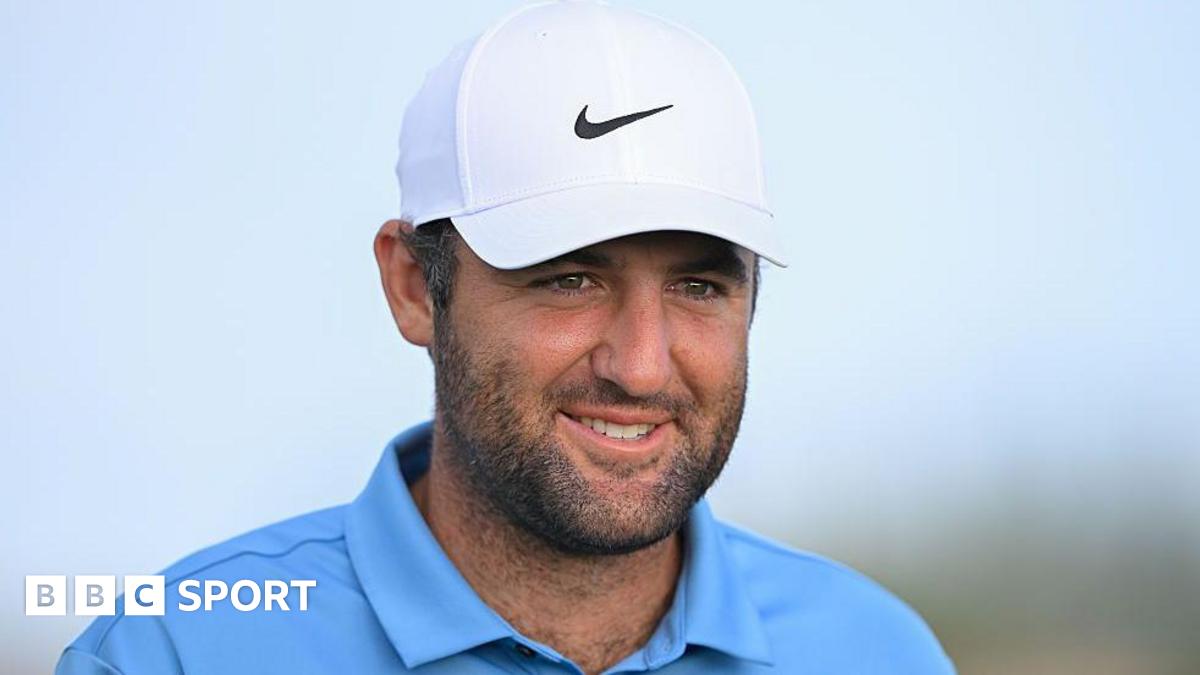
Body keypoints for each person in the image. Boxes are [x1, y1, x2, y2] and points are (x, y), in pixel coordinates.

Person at [58, 2, 954, 673]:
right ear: (413, 285)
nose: (641, 365)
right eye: (568, 277)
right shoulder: (175, 652)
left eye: (697, 284)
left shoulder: (876, 651)